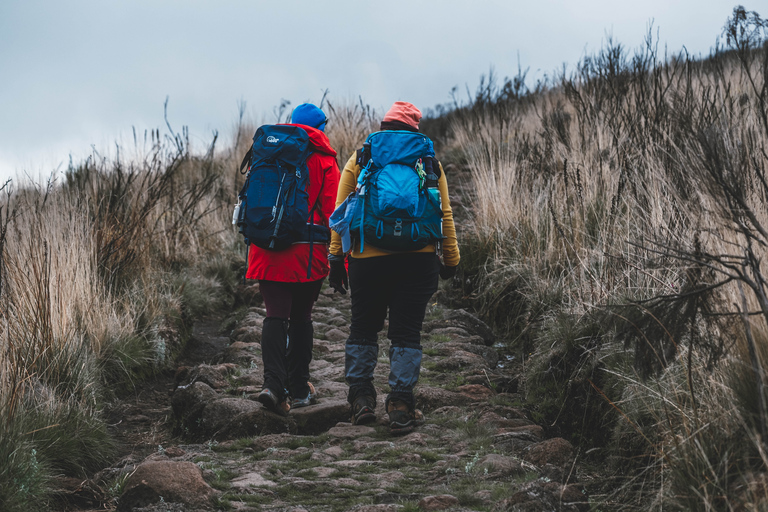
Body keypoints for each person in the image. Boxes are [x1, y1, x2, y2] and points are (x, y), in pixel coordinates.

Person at [327, 101, 460, 434]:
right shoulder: (429, 162)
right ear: (415, 128)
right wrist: (451, 260)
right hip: (418, 258)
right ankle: (400, 404)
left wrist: (335, 259)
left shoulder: (361, 158)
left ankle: (360, 399)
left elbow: (340, 212)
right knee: (406, 331)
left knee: (363, 326)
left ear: (384, 126)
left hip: (366, 259)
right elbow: (445, 215)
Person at [248, 103, 340, 414]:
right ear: (321, 127)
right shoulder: (326, 161)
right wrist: (341, 257)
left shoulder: (268, 151)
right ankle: (299, 388)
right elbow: (334, 214)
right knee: (301, 317)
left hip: (267, 247)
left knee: (275, 315)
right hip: (307, 252)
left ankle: (273, 386)